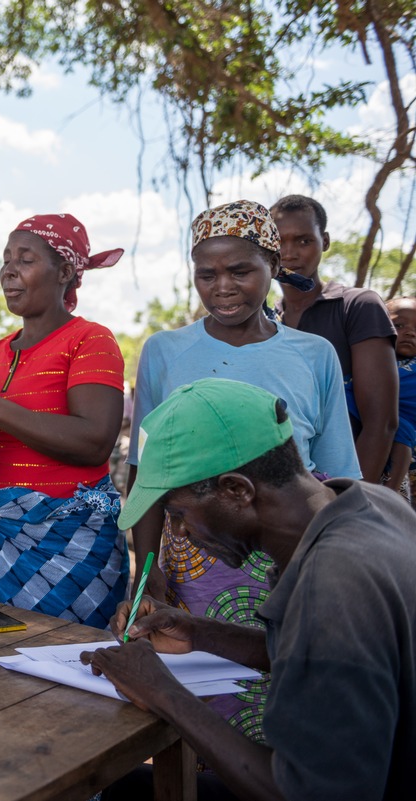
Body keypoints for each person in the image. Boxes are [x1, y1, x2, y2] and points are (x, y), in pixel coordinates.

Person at [85, 378, 416, 801]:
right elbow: (330, 658)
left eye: (179, 512)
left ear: (237, 490)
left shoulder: (332, 583)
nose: (181, 531)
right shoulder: (370, 503)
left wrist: (162, 691)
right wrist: (202, 633)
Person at [127, 199, 360, 740]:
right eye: (206, 274)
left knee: (285, 686)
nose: (222, 287)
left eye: (240, 271)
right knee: (197, 689)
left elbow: (334, 469)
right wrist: (147, 566)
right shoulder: (164, 352)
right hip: (193, 547)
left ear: (273, 269)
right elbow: (148, 472)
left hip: (284, 550)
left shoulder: (314, 355)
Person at [0, 213, 128, 628]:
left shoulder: (90, 340)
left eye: (26, 259)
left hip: (68, 545)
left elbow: (95, 441)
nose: (9, 271)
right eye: (6, 258)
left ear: (65, 271)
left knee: (65, 669)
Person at [271, 194, 398, 483]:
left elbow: (382, 423)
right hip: (285, 493)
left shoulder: (357, 306)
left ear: (324, 242)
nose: (289, 253)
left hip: (345, 487)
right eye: (279, 241)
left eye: (304, 241)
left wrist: (347, 501)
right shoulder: (266, 321)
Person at [362, 297, 416, 500]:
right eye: (399, 325)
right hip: (370, 422)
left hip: (403, 423)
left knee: (403, 438)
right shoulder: (368, 357)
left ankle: (391, 493)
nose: (410, 332)